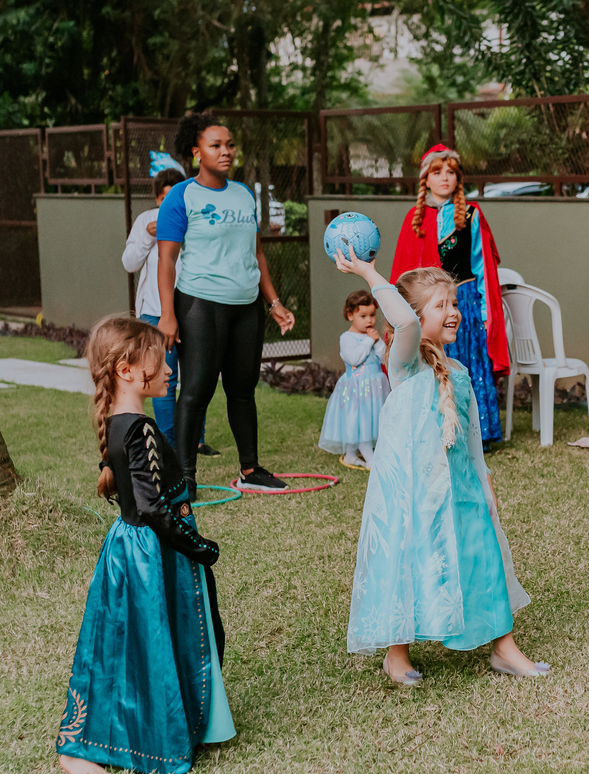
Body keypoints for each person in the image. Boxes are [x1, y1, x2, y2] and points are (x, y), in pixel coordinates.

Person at [334, 245, 549, 684]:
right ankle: (397, 654)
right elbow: (407, 323)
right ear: (412, 313)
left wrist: (485, 484)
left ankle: (504, 648)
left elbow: (470, 441)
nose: (452, 312)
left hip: (461, 486)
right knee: (409, 560)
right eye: (441, 305)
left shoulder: (460, 371)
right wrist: (370, 273)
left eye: (453, 303)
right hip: (416, 490)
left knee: (483, 554)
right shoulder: (405, 361)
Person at [56, 316, 234, 774]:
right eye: (161, 358)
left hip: (131, 549)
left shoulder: (123, 423)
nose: (171, 368)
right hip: (150, 554)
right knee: (132, 646)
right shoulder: (141, 431)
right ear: (128, 370)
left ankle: (141, 729)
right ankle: (80, 746)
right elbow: (156, 510)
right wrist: (200, 547)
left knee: (128, 647)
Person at [155, 112, 295, 495]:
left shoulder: (244, 194)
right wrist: (168, 315)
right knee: (196, 389)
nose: (226, 152)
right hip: (201, 304)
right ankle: (185, 477)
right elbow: (166, 259)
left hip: (246, 306)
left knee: (243, 389)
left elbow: (257, 253)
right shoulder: (182, 196)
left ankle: (250, 470)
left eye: (229, 144)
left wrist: (274, 302)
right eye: (216, 145)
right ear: (196, 151)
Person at [390, 144, 510, 449]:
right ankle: (433, 430)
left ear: (458, 178)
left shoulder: (471, 214)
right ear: (425, 179)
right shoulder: (413, 219)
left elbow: (482, 264)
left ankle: (474, 433)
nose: (445, 177)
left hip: (464, 301)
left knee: (465, 362)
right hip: (427, 307)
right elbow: (404, 271)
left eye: (451, 172)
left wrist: (485, 313)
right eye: (437, 172)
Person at [120, 167, 215, 456]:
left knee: (196, 376)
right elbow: (129, 263)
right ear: (157, 198)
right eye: (163, 197)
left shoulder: (197, 219)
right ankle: (170, 444)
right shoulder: (145, 221)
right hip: (155, 314)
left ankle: (196, 440)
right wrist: (150, 237)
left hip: (195, 308)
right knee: (164, 376)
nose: (167, 203)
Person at [318, 289, 390, 470]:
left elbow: (384, 359)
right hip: (356, 389)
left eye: (372, 315)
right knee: (359, 421)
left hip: (375, 387)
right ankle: (371, 459)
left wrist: (378, 342)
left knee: (368, 420)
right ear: (350, 315)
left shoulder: (373, 337)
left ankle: (350, 455)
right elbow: (353, 359)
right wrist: (368, 342)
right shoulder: (347, 338)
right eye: (363, 315)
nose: (369, 320)